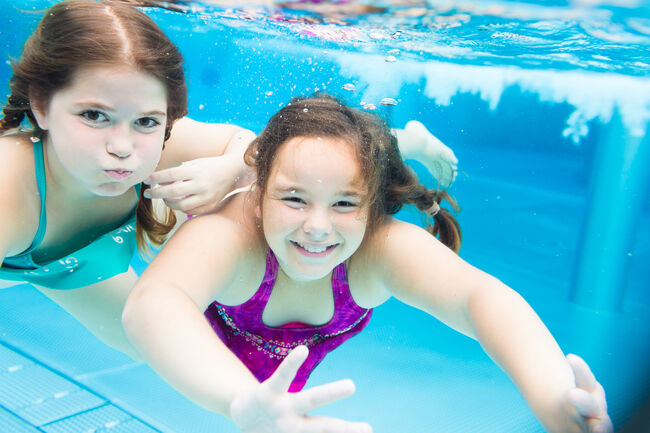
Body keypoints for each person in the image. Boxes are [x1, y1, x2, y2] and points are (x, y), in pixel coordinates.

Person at [123, 94, 612, 433]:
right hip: (211, 211)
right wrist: (237, 399)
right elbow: (154, 303)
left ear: (373, 207)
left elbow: (480, 299)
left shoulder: (377, 247)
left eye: (344, 205)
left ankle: (406, 142)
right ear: (260, 194)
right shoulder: (232, 234)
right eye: (292, 199)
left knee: (351, 155)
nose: (317, 227)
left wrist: (555, 397)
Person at [0, 0, 457, 361]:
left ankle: (396, 142)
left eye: (146, 121)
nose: (123, 147)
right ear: (40, 105)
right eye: (94, 115)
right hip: (36, 256)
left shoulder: (160, 143)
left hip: (59, 261)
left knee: (161, 345)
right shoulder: (8, 188)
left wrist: (230, 169)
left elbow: (268, 149)